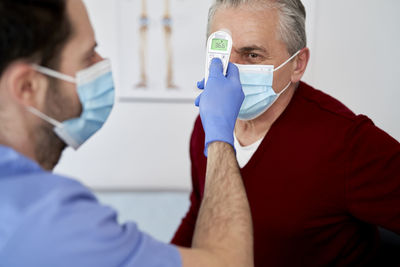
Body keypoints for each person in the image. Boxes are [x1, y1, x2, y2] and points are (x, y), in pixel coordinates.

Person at [0, 0, 254, 266]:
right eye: (88, 55)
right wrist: (219, 137)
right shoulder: (46, 222)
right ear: (28, 86)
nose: (102, 64)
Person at [171, 0, 400, 266]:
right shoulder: (208, 123)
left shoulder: (347, 143)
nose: (226, 73)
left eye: (252, 55)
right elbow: (199, 211)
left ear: (298, 64)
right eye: (220, 54)